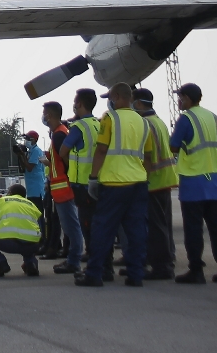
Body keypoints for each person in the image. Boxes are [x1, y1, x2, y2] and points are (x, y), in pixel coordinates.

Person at [76, 83, 154, 288]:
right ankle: (136, 275)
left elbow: (101, 150)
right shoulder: (143, 122)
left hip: (114, 182)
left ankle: (94, 274)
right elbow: (148, 156)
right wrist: (144, 176)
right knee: (136, 230)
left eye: (110, 97)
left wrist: (93, 178)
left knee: (102, 230)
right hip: (138, 182)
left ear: (117, 96)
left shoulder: (110, 118)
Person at [170, 82, 217, 285]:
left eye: (180, 97)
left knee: (193, 228)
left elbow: (174, 145)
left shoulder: (186, 118)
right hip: (213, 178)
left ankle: (196, 270)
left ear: (187, 98)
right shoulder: (211, 117)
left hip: (193, 179)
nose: (179, 101)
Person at [132, 87, 178, 280]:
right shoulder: (158, 121)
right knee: (164, 224)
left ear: (139, 103)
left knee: (156, 226)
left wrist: (142, 180)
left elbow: (147, 156)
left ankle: (162, 267)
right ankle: (166, 259)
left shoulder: (145, 123)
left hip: (153, 180)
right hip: (165, 177)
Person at [41, 101, 85, 275]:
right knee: (70, 227)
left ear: (49, 115)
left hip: (63, 188)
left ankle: (74, 261)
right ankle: (72, 259)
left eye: (44, 113)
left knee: (71, 227)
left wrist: (67, 176)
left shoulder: (59, 135)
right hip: (61, 188)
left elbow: (65, 159)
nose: (43, 116)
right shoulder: (59, 133)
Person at [59, 88, 101, 265]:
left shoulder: (78, 127)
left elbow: (63, 151)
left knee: (86, 222)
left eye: (75, 102)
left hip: (82, 182)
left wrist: (73, 163)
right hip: (98, 180)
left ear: (80, 104)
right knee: (99, 222)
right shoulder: (98, 124)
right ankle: (100, 255)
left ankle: (92, 255)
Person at [0, 184, 44, 277]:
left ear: (9, 193)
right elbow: (39, 229)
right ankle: (31, 263)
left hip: (9, 244)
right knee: (29, 235)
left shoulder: (2, 201)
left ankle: (0, 263)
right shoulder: (31, 205)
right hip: (32, 245)